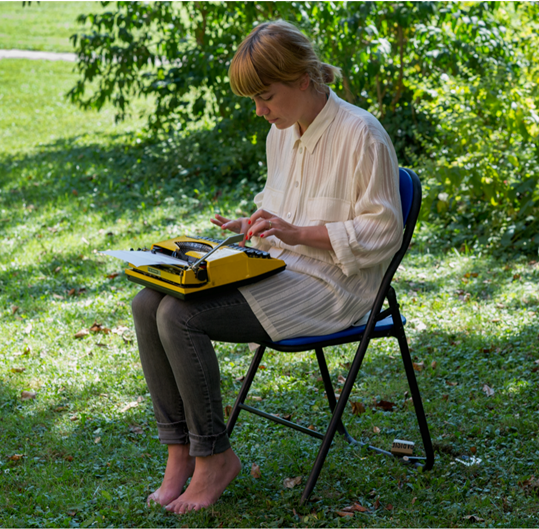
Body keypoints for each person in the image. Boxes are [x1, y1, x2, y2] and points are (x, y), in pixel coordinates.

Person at [131, 20, 403, 514]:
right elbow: (286, 207)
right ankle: (179, 452)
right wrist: (255, 221)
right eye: (254, 100)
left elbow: (384, 233)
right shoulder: (281, 134)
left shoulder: (361, 134)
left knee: (179, 314)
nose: (259, 111)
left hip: (334, 286)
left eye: (266, 97)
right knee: (148, 299)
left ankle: (213, 459)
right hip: (277, 267)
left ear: (304, 78)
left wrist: (296, 233)